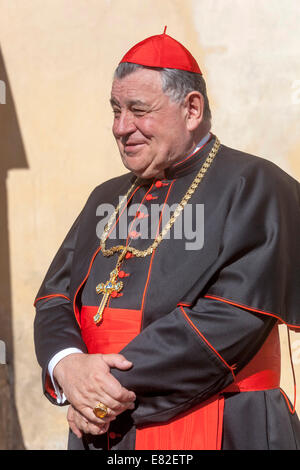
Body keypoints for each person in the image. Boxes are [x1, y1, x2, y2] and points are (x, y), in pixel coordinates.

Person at [34, 29, 300, 450]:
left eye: (138, 110)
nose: (122, 127)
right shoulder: (107, 197)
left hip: (222, 423)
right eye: (116, 110)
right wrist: (67, 366)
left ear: (191, 109)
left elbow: (232, 319)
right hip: (108, 431)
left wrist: (101, 390)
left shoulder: (256, 185)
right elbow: (55, 299)